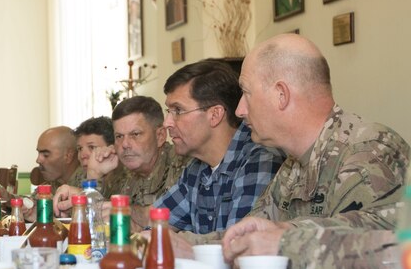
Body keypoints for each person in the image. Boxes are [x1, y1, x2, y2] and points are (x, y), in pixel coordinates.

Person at [220, 3, 411, 269]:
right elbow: (376, 226)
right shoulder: (294, 163)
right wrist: (280, 235)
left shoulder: (370, 153)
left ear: (281, 94)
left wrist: (285, 244)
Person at [152, 60, 285, 234]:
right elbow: (155, 224)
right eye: (168, 111)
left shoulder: (260, 161)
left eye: (178, 111)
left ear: (215, 115)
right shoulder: (196, 168)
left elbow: (237, 246)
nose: (167, 122)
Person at [55, 96, 192, 228]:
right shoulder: (119, 169)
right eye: (119, 136)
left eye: (135, 134)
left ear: (160, 136)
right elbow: (98, 220)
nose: (125, 144)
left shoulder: (185, 166)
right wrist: (94, 174)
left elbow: (178, 227)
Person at [35, 126, 84, 191]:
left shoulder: (90, 184)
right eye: (39, 153)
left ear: (68, 156)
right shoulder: (53, 183)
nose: (38, 160)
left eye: (46, 155)